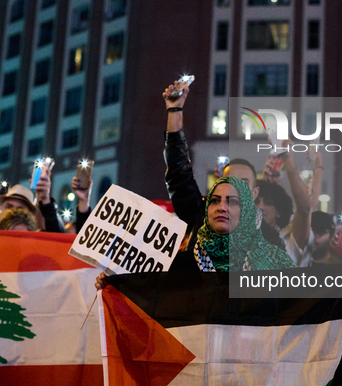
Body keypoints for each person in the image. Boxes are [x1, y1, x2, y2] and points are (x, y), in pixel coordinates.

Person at [96, 177, 296, 289]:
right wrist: (114, 286)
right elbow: (146, 292)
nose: (222, 207)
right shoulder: (181, 265)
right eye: (215, 201)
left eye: (232, 202)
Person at [162, 81, 284, 252]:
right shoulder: (202, 213)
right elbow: (178, 174)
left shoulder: (269, 240)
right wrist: (175, 110)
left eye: (243, 182)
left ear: (254, 193)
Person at [0, 183, 65, 233]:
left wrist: (45, 200)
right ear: (1, 208)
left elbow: (56, 238)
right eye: (9, 207)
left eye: (19, 209)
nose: (13, 212)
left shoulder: (38, 242)